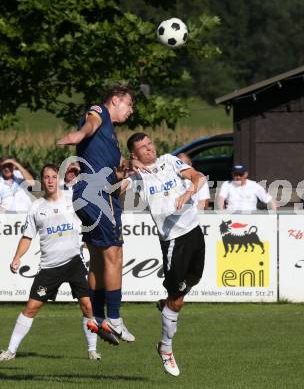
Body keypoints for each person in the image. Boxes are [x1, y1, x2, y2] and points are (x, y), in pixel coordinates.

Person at [120, 133, 206, 376]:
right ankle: (165, 348)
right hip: (173, 241)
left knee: (195, 279)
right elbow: (117, 186)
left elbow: (197, 177)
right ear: (134, 154)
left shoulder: (169, 160)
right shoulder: (136, 176)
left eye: (150, 144)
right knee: (177, 299)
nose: (149, 149)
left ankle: (166, 302)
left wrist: (187, 194)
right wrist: (128, 166)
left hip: (194, 230)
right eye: (142, 148)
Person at [57, 85, 137, 345]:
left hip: (90, 194)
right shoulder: (99, 112)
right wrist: (78, 134)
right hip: (97, 195)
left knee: (99, 258)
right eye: (129, 104)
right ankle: (113, 317)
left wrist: (126, 170)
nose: (131, 110)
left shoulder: (111, 137)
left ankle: (97, 317)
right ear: (115, 100)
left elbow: (111, 169)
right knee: (115, 253)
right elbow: (90, 123)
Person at [0, 164, 101, 361]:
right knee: (31, 308)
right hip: (49, 268)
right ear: (42, 180)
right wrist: (17, 257)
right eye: (46, 177)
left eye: (54, 176)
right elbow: (27, 237)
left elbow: (90, 221)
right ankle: (10, 351)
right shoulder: (36, 207)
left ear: (58, 179)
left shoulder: (72, 201)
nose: (50, 180)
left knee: (87, 306)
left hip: (74, 262)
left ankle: (92, 350)